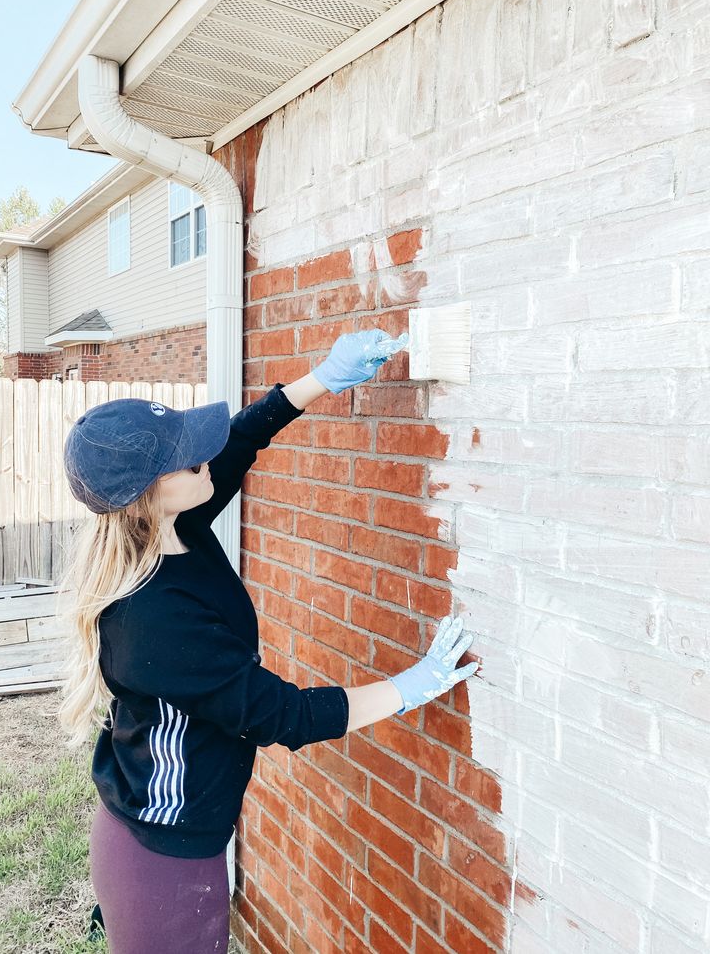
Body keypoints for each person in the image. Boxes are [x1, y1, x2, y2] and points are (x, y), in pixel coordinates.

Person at [57, 328, 479, 954]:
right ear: (149, 492)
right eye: (187, 454)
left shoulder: (176, 523)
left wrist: (324, 377)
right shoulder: (153, 619)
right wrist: (411, 686)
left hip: (157, 837)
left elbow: (243, 437)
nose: (206, 454)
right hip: (165, 860)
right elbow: (281, 714)